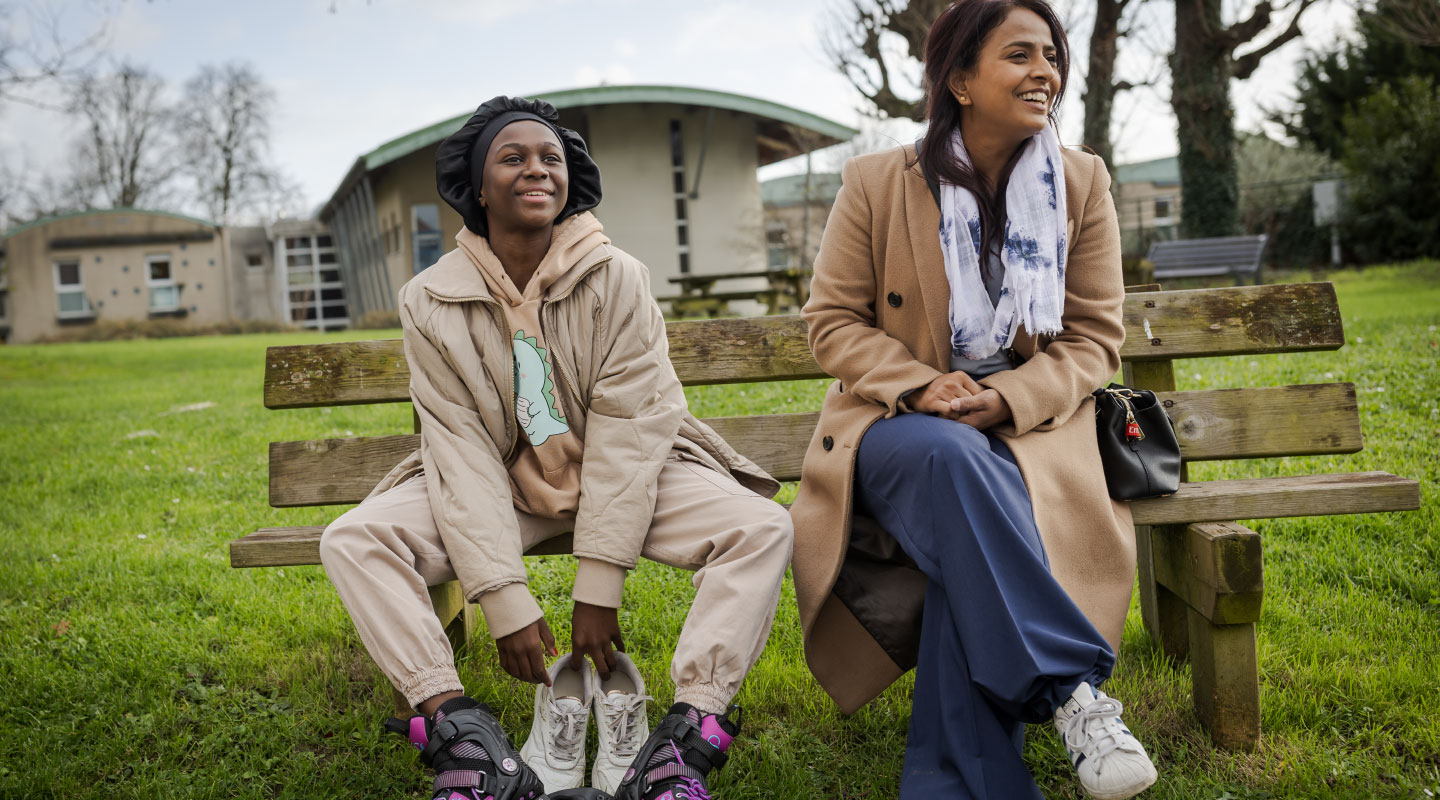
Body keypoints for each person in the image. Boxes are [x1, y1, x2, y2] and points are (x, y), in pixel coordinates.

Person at [318, 96, 793, 800]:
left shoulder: (618, 277)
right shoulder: (428, 299)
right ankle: (463, 739)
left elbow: (631, 435)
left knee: (762, 527)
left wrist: (597, 588)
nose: (536, 169)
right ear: (477, 188)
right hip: (504, 487)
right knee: (353, 540)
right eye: (513, 158)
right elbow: (462, 447)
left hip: (637, 477)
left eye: (551, 158)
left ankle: (686, 740)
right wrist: (504, 600)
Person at [788, 1, 1159, 797]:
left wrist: (1011, 397)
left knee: (970, 536)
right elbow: (831, 325)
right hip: (897, 423)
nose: (1045, 73)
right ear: (959, 79)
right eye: (1019, 55)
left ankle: (956, 784)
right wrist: (922, 384)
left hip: (1030, 428)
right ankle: (1072, 690)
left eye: (1051, 56)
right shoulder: (877, 182)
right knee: (955, 461)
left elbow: (1093, 338)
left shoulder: (1082, 182)